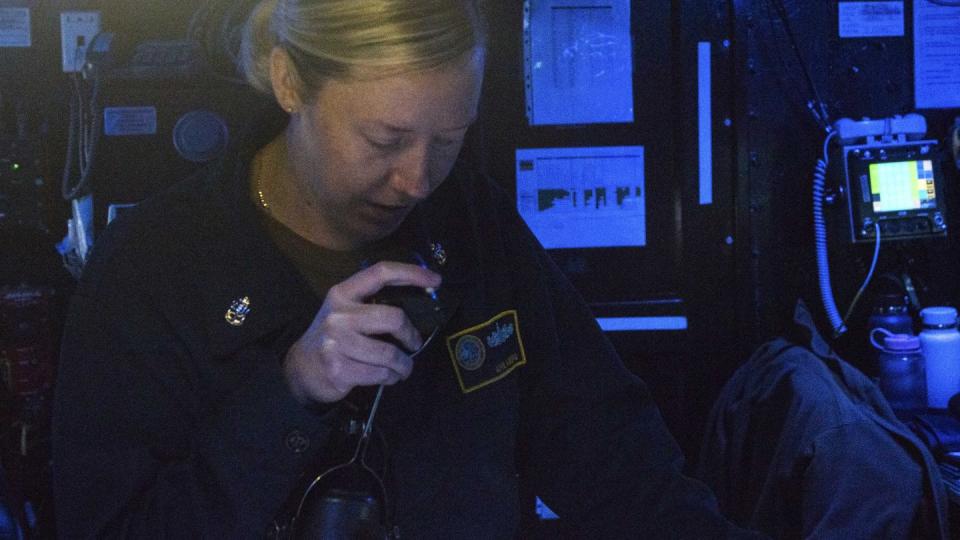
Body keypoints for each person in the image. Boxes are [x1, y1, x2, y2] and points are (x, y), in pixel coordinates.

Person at [53, 0, 763, 537]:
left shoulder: (473, 226)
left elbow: (611, 455)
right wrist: (291, 393)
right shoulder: (154, 268)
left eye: (449, 139)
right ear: (290, 83)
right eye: (385, 139)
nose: (419, 180)